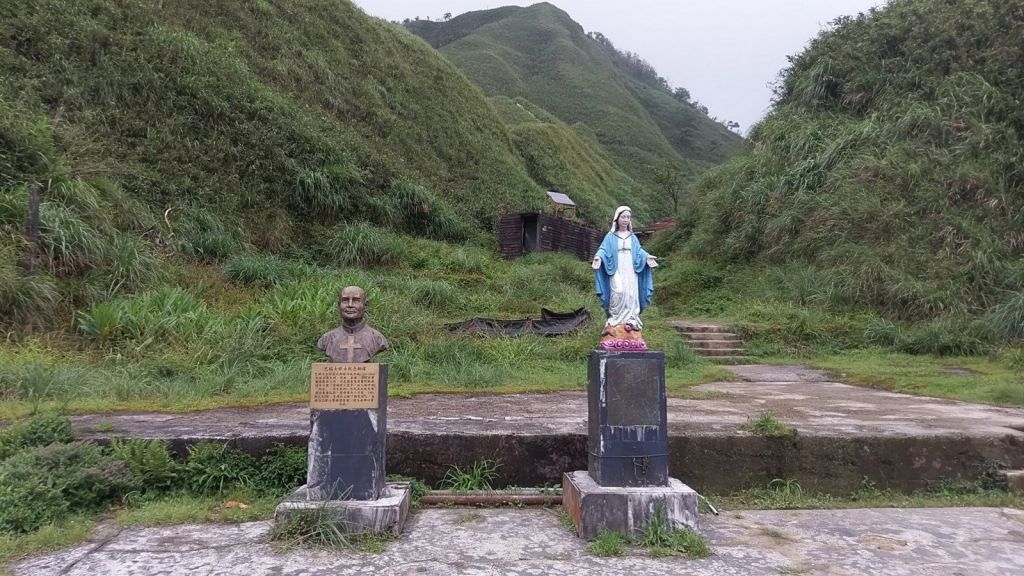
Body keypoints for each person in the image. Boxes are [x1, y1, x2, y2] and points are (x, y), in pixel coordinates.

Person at [592, 206, 657, 350]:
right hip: (616, 267)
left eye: (628, 217)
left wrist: (647, 257)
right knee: (618, 291)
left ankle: (630, 320)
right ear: (617, 218)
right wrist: (598, 258)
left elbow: (639, 252)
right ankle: (615, 320)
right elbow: (603, 249)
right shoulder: (610, 237)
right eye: (623, 217)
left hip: (630, 268)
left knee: (630, 294)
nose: (626, 220)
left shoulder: (632, 237)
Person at [317, 285, 389, 363]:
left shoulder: (377, 340)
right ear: (339, 305)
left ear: (365, 305)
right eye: (345, 300)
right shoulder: (326, 340)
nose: (350, 305)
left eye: (356, 300)